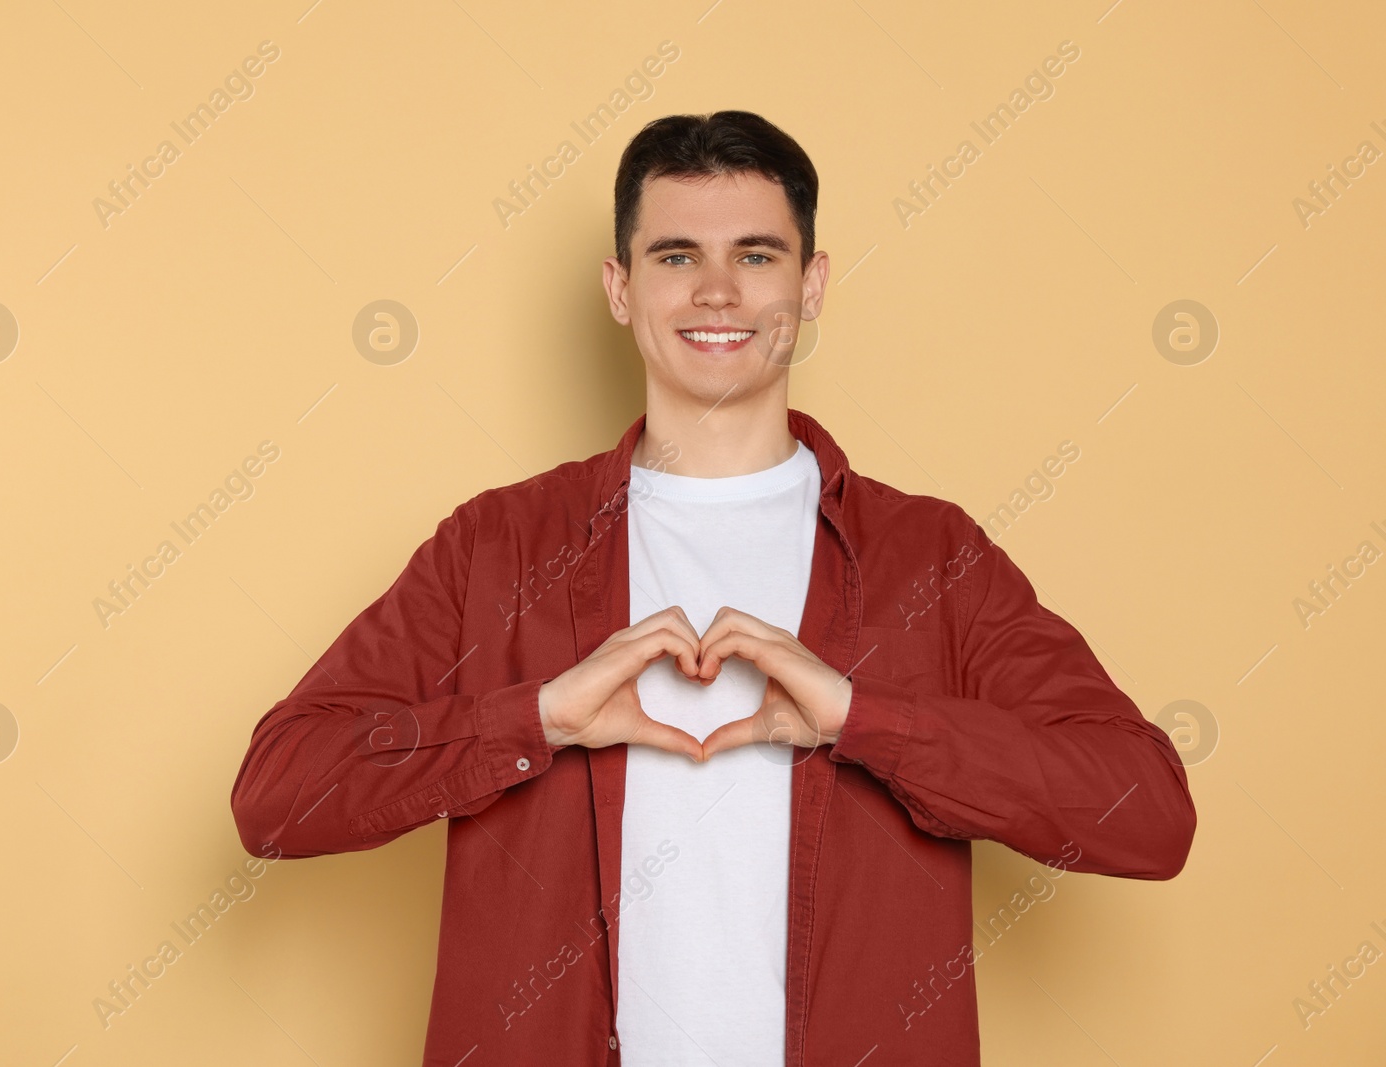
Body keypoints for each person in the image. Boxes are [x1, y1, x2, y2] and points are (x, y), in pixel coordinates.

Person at [229, 110, 1196, 1067]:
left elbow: (1146, 812)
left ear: (814, 284)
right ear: (620, 287)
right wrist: (533, 720)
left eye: (760, 256)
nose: (719, 292)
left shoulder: (931, 557)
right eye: (678, 256)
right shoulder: (498, 544)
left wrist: (865, 720)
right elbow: (276, 796)